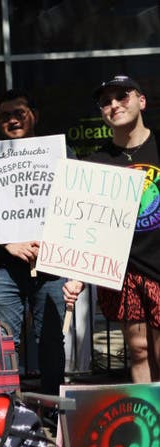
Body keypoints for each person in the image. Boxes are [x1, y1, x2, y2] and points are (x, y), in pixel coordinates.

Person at [0, 90, 71, 394]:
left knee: (51, 338)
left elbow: (78, 198)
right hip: (3, 269)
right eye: (5, 115)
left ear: (33, 115)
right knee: (3, 342)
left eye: (19, 113)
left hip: (50, 263)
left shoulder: (59, 152)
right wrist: (8, 240)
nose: (12, 120)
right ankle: (5, 411)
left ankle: (54, 407)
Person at [64, 75, 160, 383]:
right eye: (106, 101)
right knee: (140, 350)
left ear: (141, 101)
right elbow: (89, 225)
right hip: (125, 272)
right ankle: (151, 425)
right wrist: (76, 276)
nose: (114, 104)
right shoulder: (98, 162)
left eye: (122, 96)